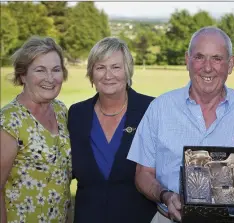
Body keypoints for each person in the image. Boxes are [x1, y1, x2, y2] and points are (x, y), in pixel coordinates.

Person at [127, 26, 234, 223]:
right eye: (199, 57)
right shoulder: (160, 108)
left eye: (217, 58)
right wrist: (166, 195)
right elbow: (143, 173)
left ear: (230, 64)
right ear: (187, 61)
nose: (207, 67)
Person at [67, 37, 156, 222]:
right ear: (91, 73)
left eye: (116, 67)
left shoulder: (151, 109)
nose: (108, 75)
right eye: (100, 67)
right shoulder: (77, 114)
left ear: (128, 70)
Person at [0, 36, 72, 222]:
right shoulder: (9, 121)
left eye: (56, 70)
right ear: (23, 75)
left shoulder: (60, 110)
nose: (50, 78)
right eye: (40, 70)